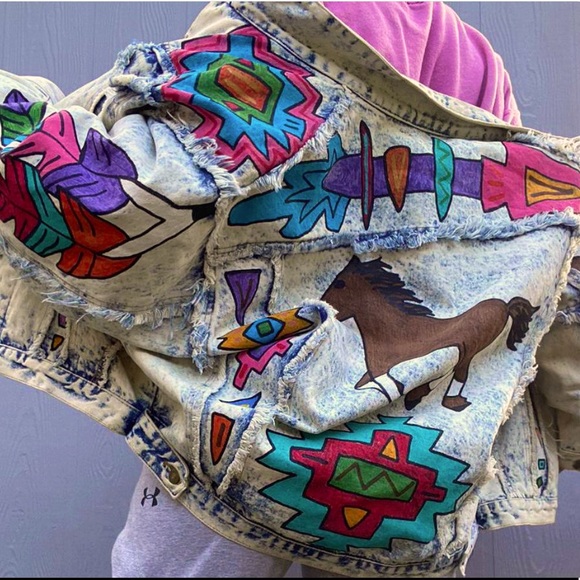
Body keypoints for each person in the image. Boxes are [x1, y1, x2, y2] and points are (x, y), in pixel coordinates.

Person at [0, 2, 578, 579]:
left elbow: (148, 195)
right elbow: (515, 252)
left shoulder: (279, 16)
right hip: (411, 468)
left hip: (243, 422)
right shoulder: (476, 62)